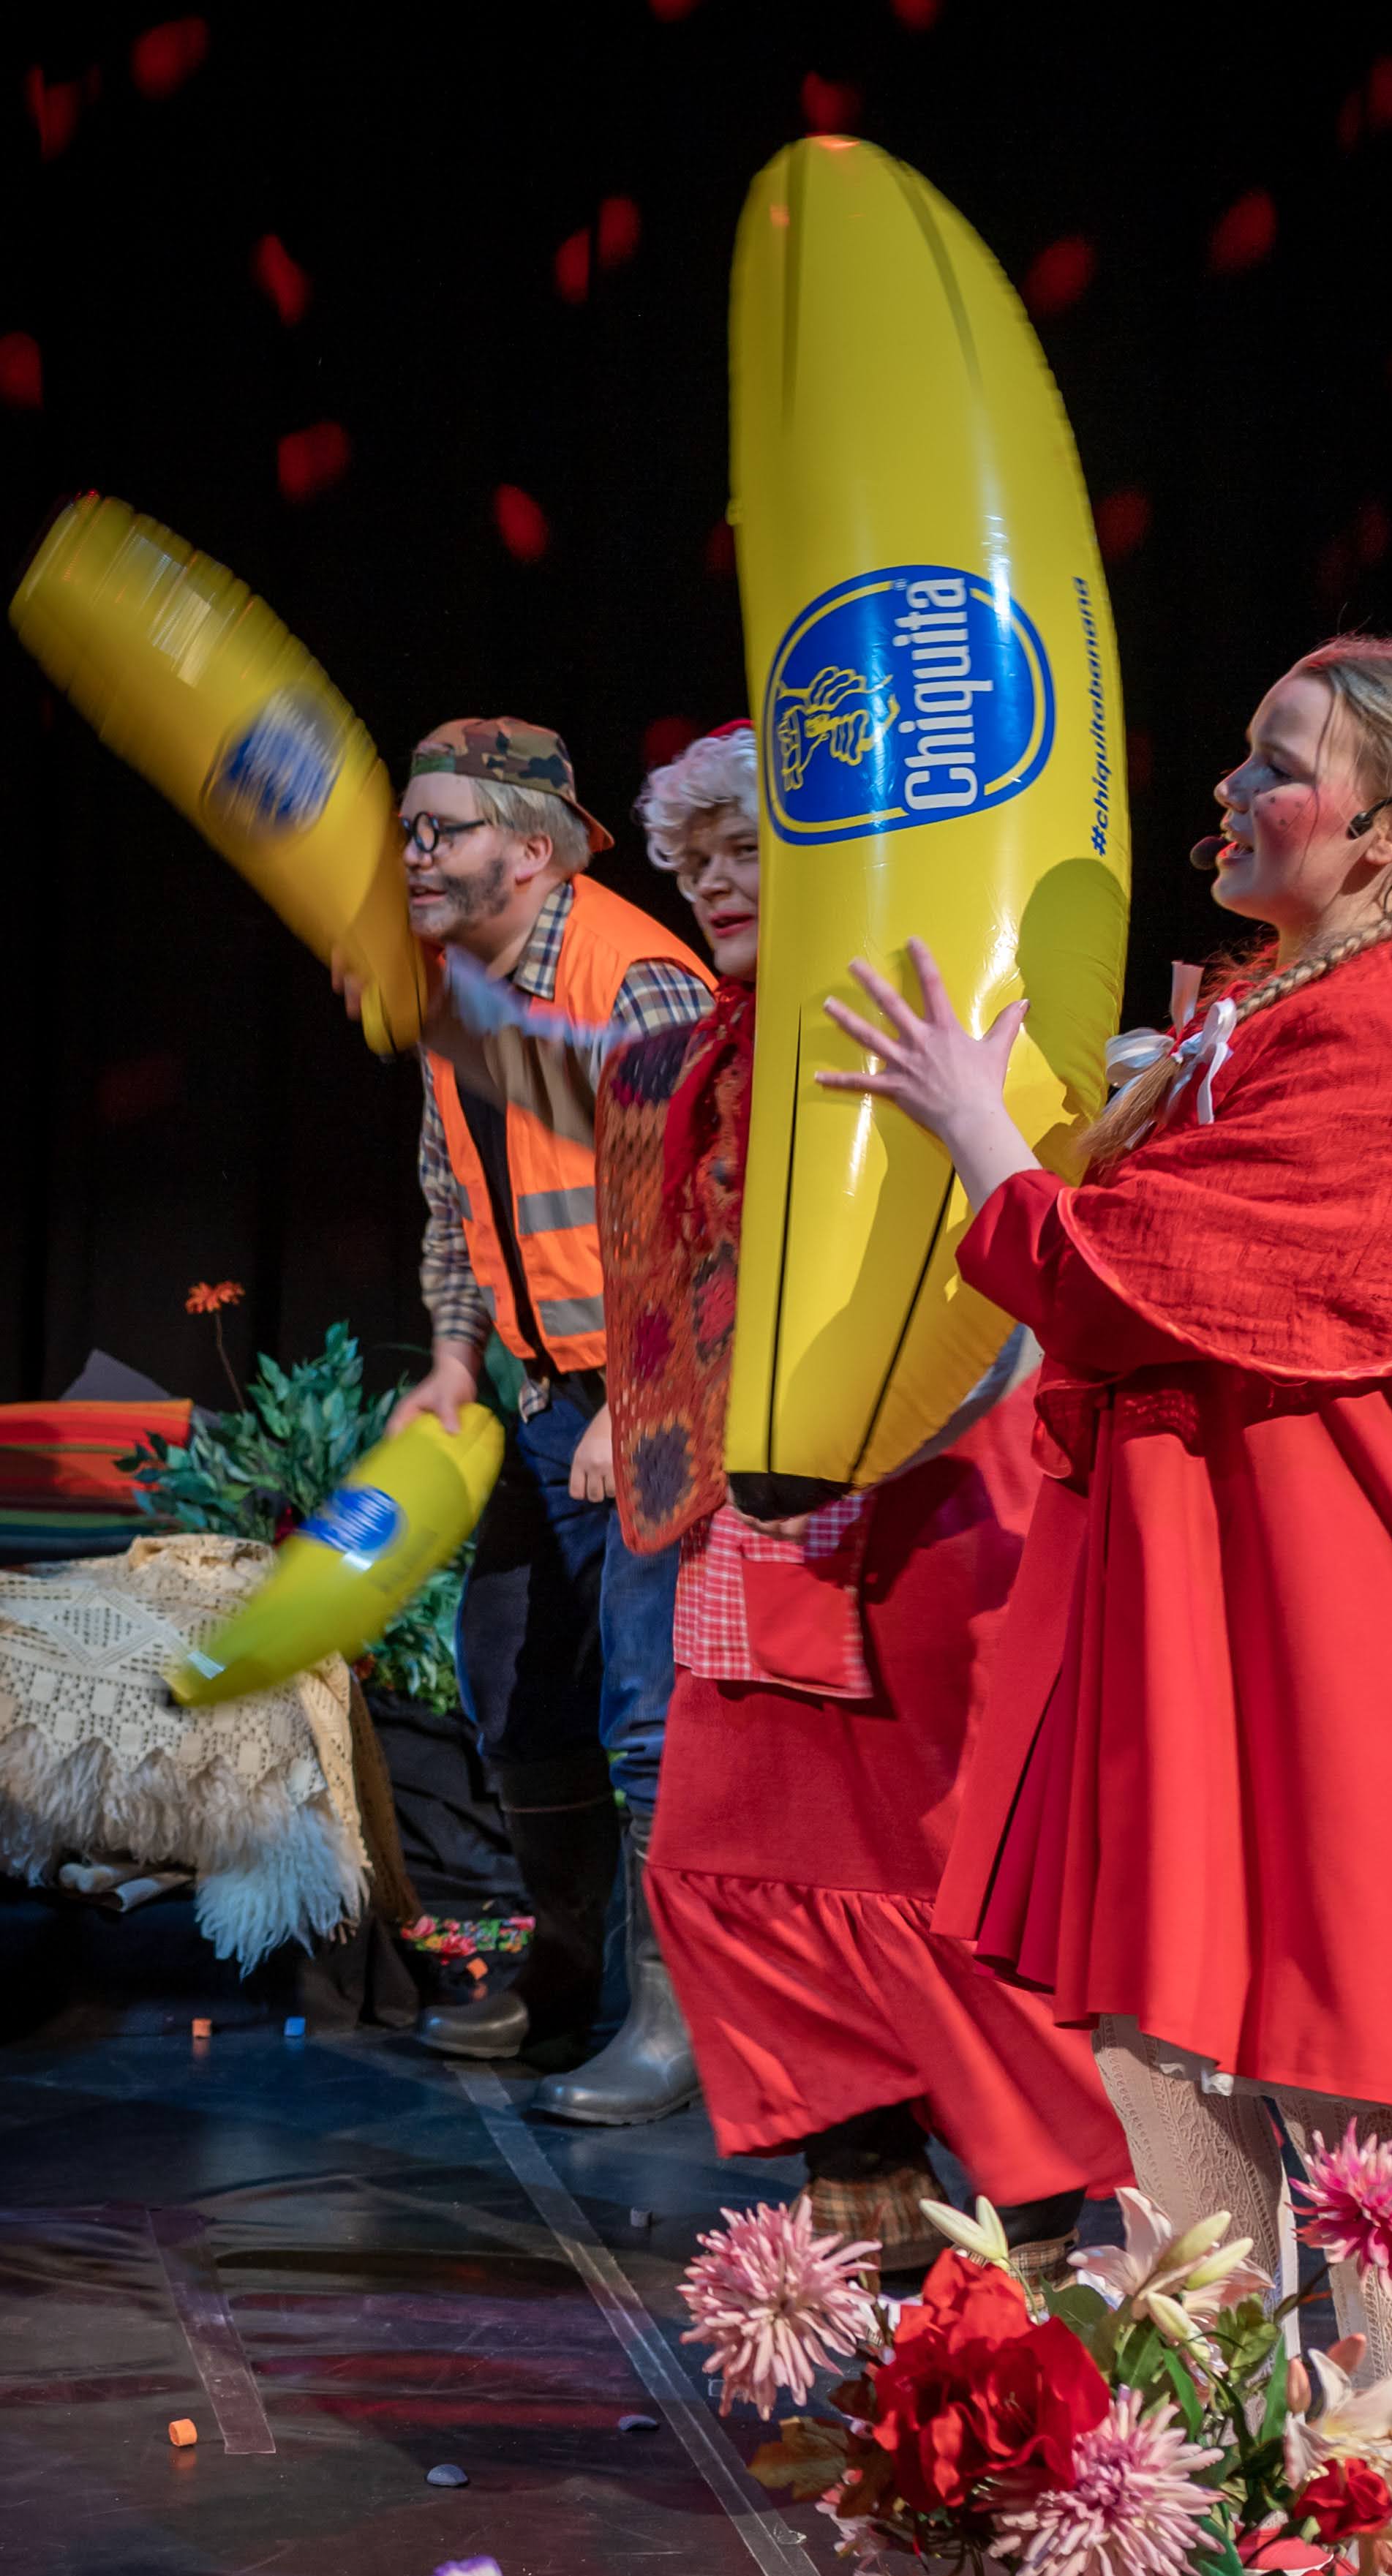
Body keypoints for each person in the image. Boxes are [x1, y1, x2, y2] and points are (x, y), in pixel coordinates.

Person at [818, 639, 1392, 2576]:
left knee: (1355, 2084)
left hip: (1348, 1621)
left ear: (1391, 830)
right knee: (1165, 2041)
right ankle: (1225, 2495)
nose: (1232, 790)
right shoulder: (1288, 994)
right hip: (1211, 1591)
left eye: (1279, 764)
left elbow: (1140, 1274)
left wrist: (982, 1130)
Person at [435, 723, 1127, 2275]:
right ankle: (864, 2193)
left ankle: (1032, 2227)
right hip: (756, 1504)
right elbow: (593, 1101)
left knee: (928, 1856)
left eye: (749, 849)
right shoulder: (708, 1046)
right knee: (735, 1828)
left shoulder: (899, 1020)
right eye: (694, 860)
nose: (714, 882)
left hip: (927, 1499)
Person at [375, 717, 713, 2076]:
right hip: (540, 1395)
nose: (412, 854)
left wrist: (639, 1399)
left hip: (661, 1388)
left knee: (648, 1708)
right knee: (510, 1680)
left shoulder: (637, 980)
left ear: (528, 848)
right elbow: (453, 1201)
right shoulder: (453, 986)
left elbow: (701, 1214)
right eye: (405, 830)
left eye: (440, 829)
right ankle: (567, 1975)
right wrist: (456, 1361)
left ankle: (674, 2025)